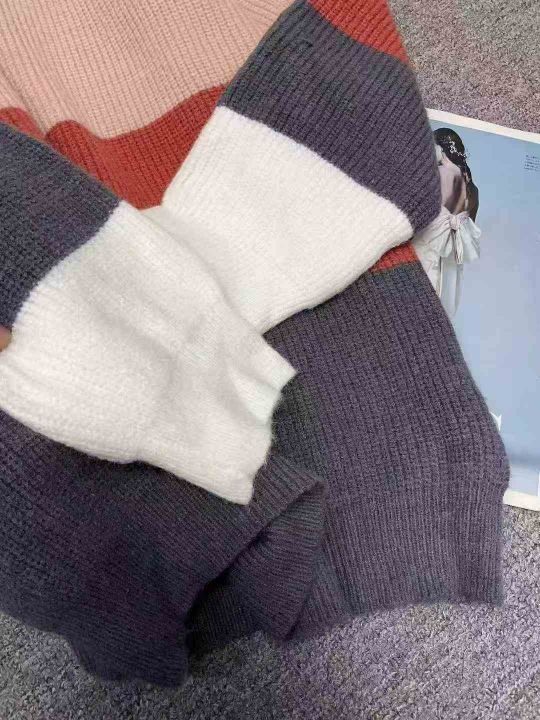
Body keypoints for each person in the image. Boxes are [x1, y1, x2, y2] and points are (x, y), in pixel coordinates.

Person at [413, 128, 481, 317]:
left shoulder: (437, 175)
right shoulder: (473, 189)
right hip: (451, 267)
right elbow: (470, 228)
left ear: (439, 149)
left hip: (425, 256)